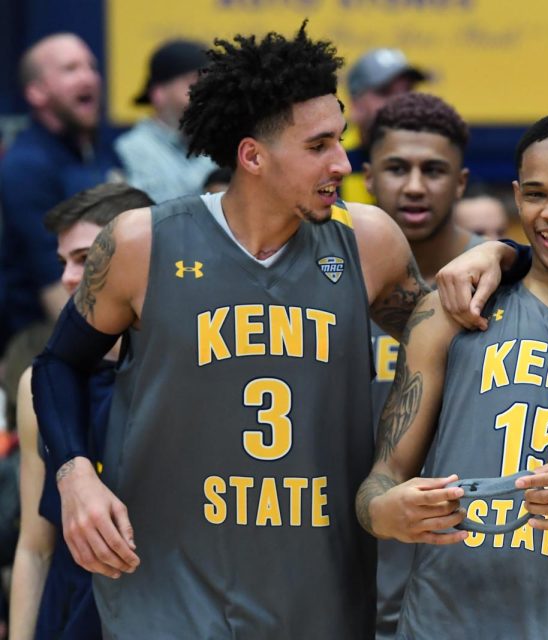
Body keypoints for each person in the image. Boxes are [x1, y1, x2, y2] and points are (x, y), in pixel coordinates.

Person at [31, 24, 428, 638]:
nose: (343, 163)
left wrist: (504, 255)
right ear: (253, 156)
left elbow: (446, 342)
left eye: (341, 140)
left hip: (319, 593)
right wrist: (75, 473)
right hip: (165, 591)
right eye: (319, 145)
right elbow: (58, 365)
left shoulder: (368, 242)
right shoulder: (142, 243)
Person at [357, 112, 548, 640]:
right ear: (515, 196)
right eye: (535, 194)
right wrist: (386, 512)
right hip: (441, 623)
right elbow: (381, 480)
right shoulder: (450, 310)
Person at [9, 183, 153, 640]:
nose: (70, 277)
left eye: (86, 258)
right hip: (68, 619)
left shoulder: (181, 375)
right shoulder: (39, 383)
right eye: (63, 262)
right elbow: (35, 549)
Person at [362, 91, 482, 638]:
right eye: (396, 168)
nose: (414, 186)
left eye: (433, 170)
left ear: (460, 182)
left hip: (463, 561)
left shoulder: (506, 280)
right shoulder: (325, 279)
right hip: (345, 549)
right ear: (366, 178)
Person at [0, 33, 121, 353]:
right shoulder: (26, 166)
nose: (89, 77)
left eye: (91, 67)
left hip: (112, 320)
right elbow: (54, 283)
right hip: (45, 342)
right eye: (71, 69)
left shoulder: (102, 155)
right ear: (37, 92)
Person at [115, 40, 216, 203]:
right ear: (158, 93)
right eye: (193, 83)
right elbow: (161, 211)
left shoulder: (222, 143)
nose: (205, 94)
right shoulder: (128, 150)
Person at [342, 48, 428, 204]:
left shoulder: (432, 156)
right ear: (355, 104)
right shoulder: (334, 160)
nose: (401, 102)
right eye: (384, 92)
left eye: (408, 91)